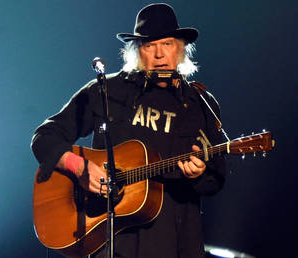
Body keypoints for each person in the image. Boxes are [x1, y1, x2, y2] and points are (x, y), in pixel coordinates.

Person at [31, 3, 226, 258]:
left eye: (166, 44)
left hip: (175, 243)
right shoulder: (106, 91)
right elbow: (44, 138)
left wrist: (198, 174)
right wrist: (79, 167)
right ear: (136, 51)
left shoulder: (201, 103)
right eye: (149, 46)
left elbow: (217, 176)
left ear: (181, 49)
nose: (159, 55)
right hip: (110, 240)